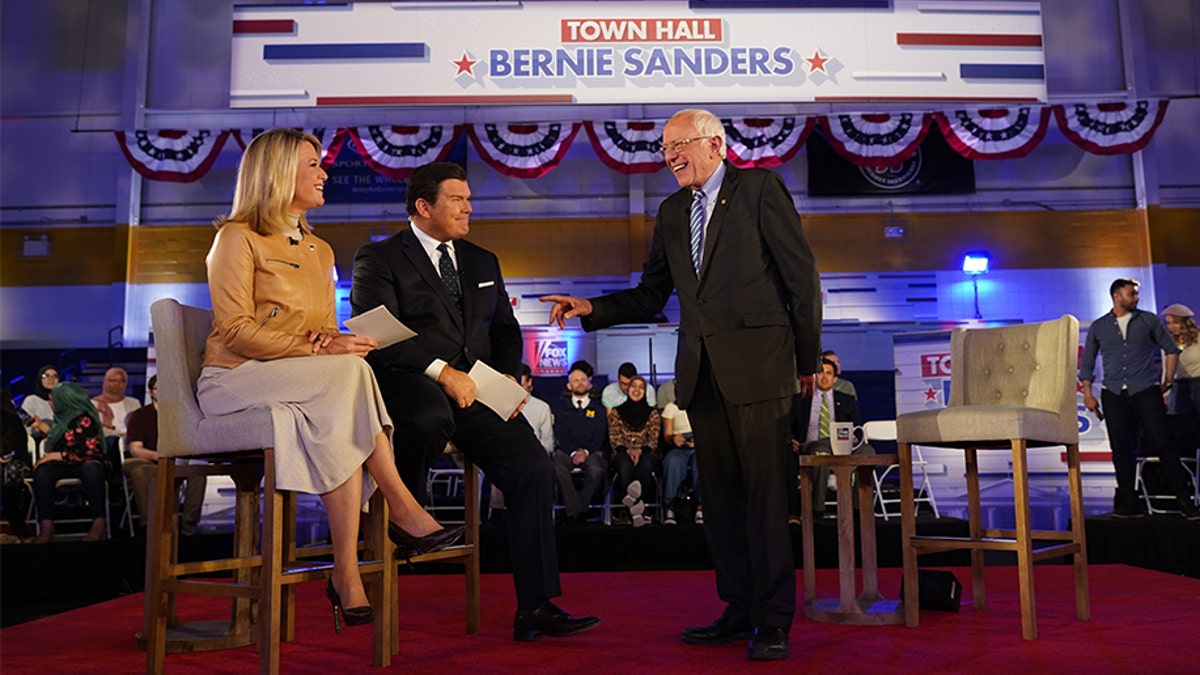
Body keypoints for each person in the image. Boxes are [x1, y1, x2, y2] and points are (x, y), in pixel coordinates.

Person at [542, 108, 821, 661]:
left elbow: (801, 278)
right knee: (720, 504)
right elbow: (650, 294)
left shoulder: (760, 189)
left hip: (763, 369)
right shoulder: (672, 212)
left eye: (680, 145)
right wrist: (591, 307)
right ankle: (738, 607)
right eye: (664, 148)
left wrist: (806, 360)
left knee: (766, 501)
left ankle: (773, 620)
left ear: (715, 144)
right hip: (702, 376)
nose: (669, 156)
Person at [199, 128, 463, 633]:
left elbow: (318, 334)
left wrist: (342, 339)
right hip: (232, 378)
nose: (325, 173)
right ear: (278, 174)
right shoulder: (235, 236)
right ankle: (402, 508)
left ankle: (346, 571)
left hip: (298, 379)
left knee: (345, 397)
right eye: (313, 164)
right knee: (348, 376)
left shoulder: (319, 249)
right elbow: (234, 331)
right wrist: (324, 347)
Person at [350, 161, 599, 641]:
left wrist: (505, 375)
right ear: (424, 207)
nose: (469, 207)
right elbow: (375, 331)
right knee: (427, 416)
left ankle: (535, 606)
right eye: (457, 199)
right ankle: (406, 513)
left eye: (469, 197)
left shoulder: (483, 260)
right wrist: (443, 372)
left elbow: (505, 329)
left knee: (534, 469)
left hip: (480, 391)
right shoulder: (377, 258)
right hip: (412, 381)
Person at [1080, 279, 1200, 520]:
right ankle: (1128, 503)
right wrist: (1088, 393)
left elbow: (1171, 350)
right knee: (1121, 448)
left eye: (1136, 294)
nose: (1136, 298)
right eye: (1131, 294)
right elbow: (1089, 360)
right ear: (1116, 296)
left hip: (1145, 390)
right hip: (1113, 393)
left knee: (1163, 443)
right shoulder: (1100, 326)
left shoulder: (1148, 320)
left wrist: (1167, 380)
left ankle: (1184, 501)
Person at [122, 376, 207, 535]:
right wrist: (160, 456)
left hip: (175, 459)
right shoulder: (139, 415)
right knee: (141, 471)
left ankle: (189, 522)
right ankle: (150, 524)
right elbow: (136, 449)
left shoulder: (180, 415)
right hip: (146, 459)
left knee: (198, 471)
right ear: (151, 391)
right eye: (158, 388)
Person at [28, 382, 109, 542]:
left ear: (64, 401)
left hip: (87, 461)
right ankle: (46, 525)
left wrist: (55, 456)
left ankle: (99, 523)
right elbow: (65, 438)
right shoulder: (61, 419)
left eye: (53, 400)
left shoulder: (85, 418)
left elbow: (88, 451)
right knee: (42, 471)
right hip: (65, 464)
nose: (51, 404)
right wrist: (44, 429)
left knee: (91, 469)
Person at [787, 358, 865, 520]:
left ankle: (859, 509)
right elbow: (787, 424)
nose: (824, 377)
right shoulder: (800, 398)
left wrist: (855, 438)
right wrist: (791, 439)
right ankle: (817, 510)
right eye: (820, 372)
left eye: (828, 373)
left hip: (842, 447)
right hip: (809, 447)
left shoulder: (846, 400)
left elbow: (858, 426)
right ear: (814, 376)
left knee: (867, 451)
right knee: (820, 451)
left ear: (835, 379)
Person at [490, 365, 555, 515]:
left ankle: (534, 511)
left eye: (521, 383)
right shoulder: (499, 405)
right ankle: (498, 512)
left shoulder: (542, 407)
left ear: (529, 383)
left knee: (536, 465)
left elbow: (548, 440)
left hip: (533, 452)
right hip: (507, 452)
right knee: (499, 462)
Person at [552, 361, 610, 525]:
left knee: (596, 469)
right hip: (566, 451)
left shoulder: (599, 408)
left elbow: (600, 435)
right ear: (569, 386)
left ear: (589, 383)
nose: (580, 383)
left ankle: (577, 511)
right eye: (575, 380)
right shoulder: (560, 407)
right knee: (557, 468)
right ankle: (577, 511)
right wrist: (573, 453)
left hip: (592, 451)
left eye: (583, 380)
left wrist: (584, 452)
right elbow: (560, 435)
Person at [607, 375, 662, 526]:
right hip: (622, 452)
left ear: (645, 392)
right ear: (627, 390)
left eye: (641, 387)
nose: (637, 390)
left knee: (646, 463)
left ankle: (630, 505)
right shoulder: (616, 413)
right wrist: (628, 450)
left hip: (647, 452)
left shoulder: (653, 414)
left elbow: (653, 439)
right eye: (633, 386)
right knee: (624, 464)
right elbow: (614, 438)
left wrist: (640, 450)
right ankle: (638, 509)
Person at [660, 398, 701, 525]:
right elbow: (667, 435)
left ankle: (701, 507)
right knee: (672, 461)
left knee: (701, 463)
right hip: (679, 445)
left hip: (699, 445)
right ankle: (670, 506)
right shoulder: (671, 407)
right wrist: (673, 438)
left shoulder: (702, 406)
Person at [1, 390, 34, 541]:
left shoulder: (10, 418)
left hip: (10, 459)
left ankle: (15, 523)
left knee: (12, 471)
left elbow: (19, 445)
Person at [92, 367, 139, 444]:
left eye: (122, 381)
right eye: (112, 380)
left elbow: (137, 427)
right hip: (106, 445)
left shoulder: (134, 403)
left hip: (130, 444)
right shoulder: (94, 404)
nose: (117, 384)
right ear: (105, 381)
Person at [20, 366, 58, 439]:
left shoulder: (63, 401)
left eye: (55, 376)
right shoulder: (31, 400)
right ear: (40, 379)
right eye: (46, 376)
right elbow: (25, 427)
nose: (51, 379)